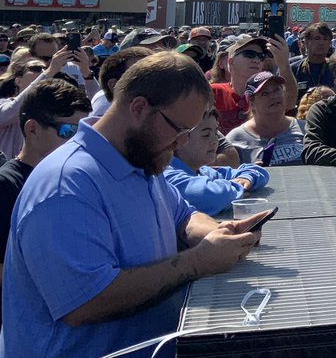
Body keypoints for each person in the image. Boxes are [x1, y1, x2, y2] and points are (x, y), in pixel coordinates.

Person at [2, 52, 266, 356]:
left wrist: (221, 233)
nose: (181, 142)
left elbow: (183, 216)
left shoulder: (144, 159)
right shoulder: (65, 185)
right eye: (178, 129)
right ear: (139, 108)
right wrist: (197, 263)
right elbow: (86, 301)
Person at [0, 79, 91, 292]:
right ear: (32, 129)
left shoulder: (79, 180)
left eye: (85, 132)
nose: (79, 141)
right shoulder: (5, 185)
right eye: (69, 131)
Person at [165, 109, 270, 215]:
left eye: (216, 133)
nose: (215, 140)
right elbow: (215, 196)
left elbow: (257, 171)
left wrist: (245, 179)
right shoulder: (166, 175)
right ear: (180, 139)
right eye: (206, 135)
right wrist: (239, 188)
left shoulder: (204, 171)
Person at [211, 34, 296, 135]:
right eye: (249, 54)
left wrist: (284, 64)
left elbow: (289, 103)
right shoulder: (214, 92)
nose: (256, 60)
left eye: (261, 57)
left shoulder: (268, 93)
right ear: (231, 61)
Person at [0, 49, 72, 160]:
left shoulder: (52, 110)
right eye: (36, 68)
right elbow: (10, 111)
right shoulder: (4, 103)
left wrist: (86, 72)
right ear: (18, 80)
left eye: (44, 69)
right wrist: (49, 72)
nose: (42, 72)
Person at [227, 71, 306, 166]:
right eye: (265, 93)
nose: (274, 96)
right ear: (251, 103)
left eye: (277, 90)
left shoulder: (305, 129)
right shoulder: (236, 139)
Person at [289, 23, 336, 99]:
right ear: (307, 42)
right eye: (317, 38)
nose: (321, 43)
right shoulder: (294, 69)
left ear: (330, 43)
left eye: (325, 39)